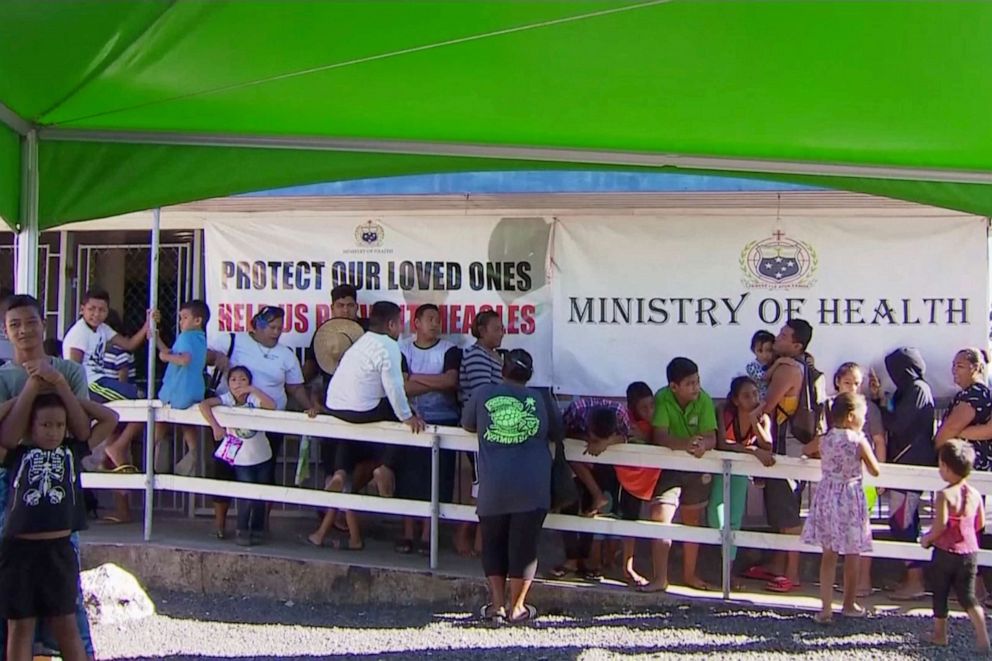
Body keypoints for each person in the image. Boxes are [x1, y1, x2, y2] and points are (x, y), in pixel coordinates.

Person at [0, 294, 110, 661]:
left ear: (42, 325)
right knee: (16, 612)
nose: (23, 330)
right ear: (5, 330)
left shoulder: (70, 371)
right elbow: (7, 438)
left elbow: (82, 429)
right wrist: (31, 388)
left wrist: (57, 383)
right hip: (11, 487)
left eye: (30, 322)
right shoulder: (3, 376)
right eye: (14, 324)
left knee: (67, 609)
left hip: (60, 506)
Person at [309, 302, 425, 550]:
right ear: (391, 325)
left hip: (336, 407)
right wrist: (407, 416)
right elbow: (394, 387)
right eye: (399, 323)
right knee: (399, 417)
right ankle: (386, 468)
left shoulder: (359, 344)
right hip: (363, 409)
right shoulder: (389, 347)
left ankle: (340, 472)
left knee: (347, 434)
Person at [462, 349, 556, 625]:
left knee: (493, 544)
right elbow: (557, 430)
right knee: (524, 546)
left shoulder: (482, 394)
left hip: (494, 484)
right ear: (529, 374)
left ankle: (496, 606)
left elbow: (468, 423)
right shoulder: (541, 397)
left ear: (503, 369)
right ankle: (518, 608)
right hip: (533, 484)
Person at [209, 305, 318, 537]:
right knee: (225, 470)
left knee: (263, 474)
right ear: (257, 325)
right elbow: (204, 355)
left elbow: (295, 387)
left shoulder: (286, 354)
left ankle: (259, 527)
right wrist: (217, 357)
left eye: (280, 327)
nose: (276, 332)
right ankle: (220, 525)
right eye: (271, 327)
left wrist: (309, 407)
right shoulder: (232, 340)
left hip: (268, 425)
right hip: (232, 426)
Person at [744, 318, 816, 594]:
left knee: (787, 512)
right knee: (778, 508)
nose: (777, 338)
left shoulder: (788, 370)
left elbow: (766, 406)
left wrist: (752, 424)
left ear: (796, 345)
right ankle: (777, 564)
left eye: (784, 336)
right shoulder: (794, 365)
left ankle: (792, 574)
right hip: (789, 444)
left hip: (786, 446)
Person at [801, 392, 880, 623]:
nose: (864, 421)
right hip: (850, 496)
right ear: (851, 416)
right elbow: (875, 470)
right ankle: (848, 603)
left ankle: (825, 608)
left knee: (829, 554)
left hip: (827, 494)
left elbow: (806, 450)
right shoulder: (857, 440)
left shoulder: (824, 439)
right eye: (862, 416)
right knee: (852, 553)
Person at [867, 348, 935, 600]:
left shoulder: (917, 389)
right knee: (904, 521)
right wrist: (879, 399)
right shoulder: (910, 390)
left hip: (910, 466)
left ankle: (915, 580)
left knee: (902, 522)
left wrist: (878, 408)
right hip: (905, 464)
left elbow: (897, 423)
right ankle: (911, 577)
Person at [647, 357, 718, 593]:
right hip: (669, 467)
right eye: (690, 383)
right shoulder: (661, 398)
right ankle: (660, 579)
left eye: (697, 381)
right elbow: (660, 436)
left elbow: (712, 436)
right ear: (673, 386)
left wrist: (703, 445)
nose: (696, 387)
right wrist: (686, 444)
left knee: (692, 521)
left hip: (697, 468)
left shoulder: (705, 399)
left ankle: (689, 575)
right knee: (660, 517)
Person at [396, 304, 461, 555]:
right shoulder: (403, 349)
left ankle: (427, 534)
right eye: (430, 319)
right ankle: (408, 533)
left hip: (443, 420)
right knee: (409, 479)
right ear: (417, 323)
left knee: (438, 480)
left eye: (438, 319)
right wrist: (433, 382)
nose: (435, 324)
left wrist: (415, 379)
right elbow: (403, 388)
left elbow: (450, 382)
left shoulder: (450, 350)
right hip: (411, 421)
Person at [63, 291, 153, 471]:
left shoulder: (103, 329)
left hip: (100, 381)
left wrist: (147, 324)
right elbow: (74, 368)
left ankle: (112, 451)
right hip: (91, 385)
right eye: (91, 309)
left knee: (140, 402)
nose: (96, 314)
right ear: (82, 310)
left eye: (101, 310)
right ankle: (116, 448)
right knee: (142, 401)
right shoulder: (79, 333)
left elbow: (129, 345)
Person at [553, 397, 634, 582]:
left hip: (605, 463)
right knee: (570, 505)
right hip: (574, 460)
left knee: (593, 510)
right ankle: (572, 559)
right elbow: (561, 432)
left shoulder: (621, 413)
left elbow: (627, 436)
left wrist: (605, 443)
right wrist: (584, 440)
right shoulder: (576, 409)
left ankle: (588, 560)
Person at [920, 439, 989, 652]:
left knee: (940, 594)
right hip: (969, 552)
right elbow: (981, 524)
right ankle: (983, 638)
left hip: (944, 552)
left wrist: (927, 538)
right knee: (968, 596)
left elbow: (940, 526)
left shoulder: (944, 495)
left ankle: (940, 634)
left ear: (946, 468)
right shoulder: (976, 495)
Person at [199, 366, 276, 547]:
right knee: (245, 496)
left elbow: (272, 406)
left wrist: (254, 390)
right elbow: (204, 405)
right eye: (233, 379)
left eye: (242, 379)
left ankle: (257, 529)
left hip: (262, 454)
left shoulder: (254, 399)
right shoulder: (226, 399)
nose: (238, 383)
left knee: (260, 495)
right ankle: (242, 529)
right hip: (241, 458)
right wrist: (215, 426)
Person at [708, 376, 775, 584]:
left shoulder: (762, 417)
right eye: (746, 396)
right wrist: (752, 451)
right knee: (715, 517)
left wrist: (755, 419)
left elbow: (768, 445)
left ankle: (728, 572)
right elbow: (723, 443)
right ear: (736, 400)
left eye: (755, 394)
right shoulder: (724, 411)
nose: (753, 399)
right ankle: (715, 565)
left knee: (734, 520)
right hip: (719, 469)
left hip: (739, 472)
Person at [832, 362, 886, 597]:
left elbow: (879, 440)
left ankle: (864, 581)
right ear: (837, 382)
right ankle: (848, 584)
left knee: (863, 531)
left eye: (856, 383)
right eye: (847, 383)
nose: (852, 388)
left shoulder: (869, 409)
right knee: (840, 532)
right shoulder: (832, 407)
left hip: (862, 479)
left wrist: (880, 476)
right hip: (837, 480)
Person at [455, 310, 505, 557]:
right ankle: (466, 537)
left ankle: (479, 541)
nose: (502, 332)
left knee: (487, 486)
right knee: (480, 486)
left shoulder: (493, 356)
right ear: (482, 330)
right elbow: (483, 396)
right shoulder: (476, 357)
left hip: (493, 431)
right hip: (479, 431)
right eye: (497, 328)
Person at [151, 300, 209, 477]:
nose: (181, 322)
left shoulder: (186, 337)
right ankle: (192, 456)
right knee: (187, 423)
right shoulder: (200, 338)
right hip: (195, 389)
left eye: (184, 318)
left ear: (197, 320)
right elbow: (171, 351)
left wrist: (164, 357)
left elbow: (183, 359)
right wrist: (156, 338)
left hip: (177, 390)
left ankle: (156, 452)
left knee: (161, 418)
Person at [615, 381, 658, 588]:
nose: (649, 411)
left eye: (652, 406)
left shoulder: (658, 421)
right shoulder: (625, 421)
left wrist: (649, 437)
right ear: (633, 408)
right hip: (627, 477)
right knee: (628, 519)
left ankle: (653, 568)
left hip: (651, 477)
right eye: (644, 408)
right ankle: (626, 566)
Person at [745, 330, 775, 399]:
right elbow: (764, 377)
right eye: (760, 351)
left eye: (769, 350)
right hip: (759, 401)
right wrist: (778, 363)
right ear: (753, 350)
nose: (764, 355)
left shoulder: (773, 363)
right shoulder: (751, 366)